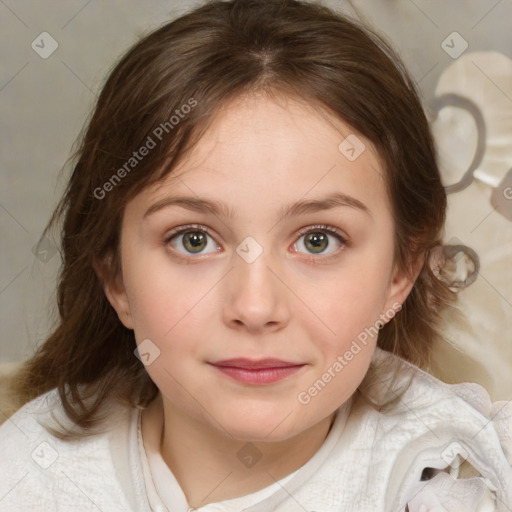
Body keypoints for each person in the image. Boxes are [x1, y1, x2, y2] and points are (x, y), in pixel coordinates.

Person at [0, 0, 510, 510]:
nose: (256, 306)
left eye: (318, 240)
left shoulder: (454, 481)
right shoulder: (29, 472)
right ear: (115, 278)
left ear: (401, 272)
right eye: (194, 240)